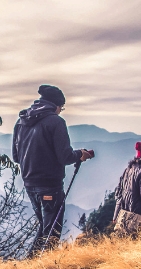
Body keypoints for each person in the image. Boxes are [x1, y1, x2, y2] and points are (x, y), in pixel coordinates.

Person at [12, 84, 95, 255]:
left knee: (45, 228)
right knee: (52, 232)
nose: (60, 111)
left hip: (29, 183)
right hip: (50, 184)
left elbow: (15, 157)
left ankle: (30, 267)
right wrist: (80, 154)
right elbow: (64, 156)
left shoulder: (21, 121)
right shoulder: (56, 122)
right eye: (61, 108)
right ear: (56, 105)